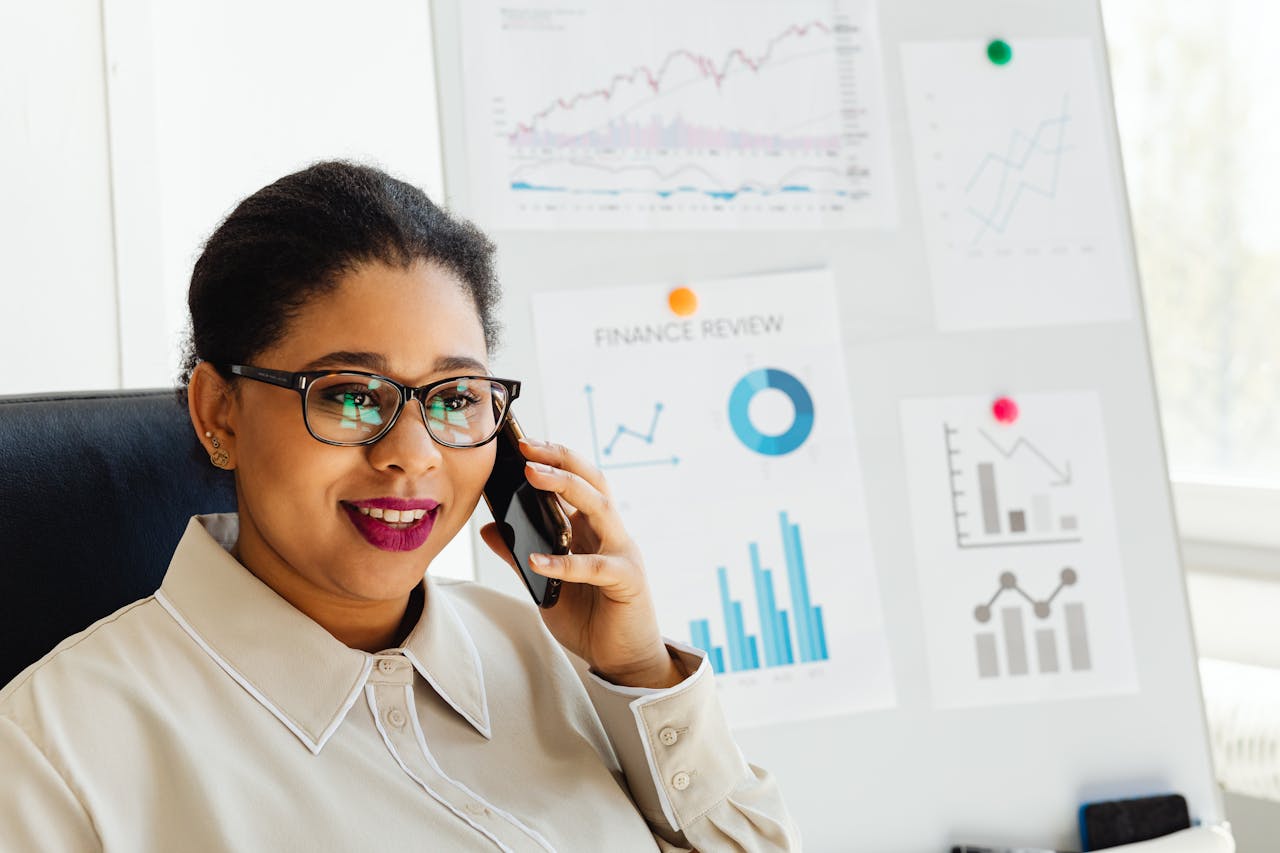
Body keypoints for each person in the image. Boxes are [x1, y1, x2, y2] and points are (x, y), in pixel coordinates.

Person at [0, 162, 798, 851]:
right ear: (219, 413)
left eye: (454, 397)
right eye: (350, 394)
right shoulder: (52, 750)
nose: (412, 453)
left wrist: (637, 673)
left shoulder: (560, 654)